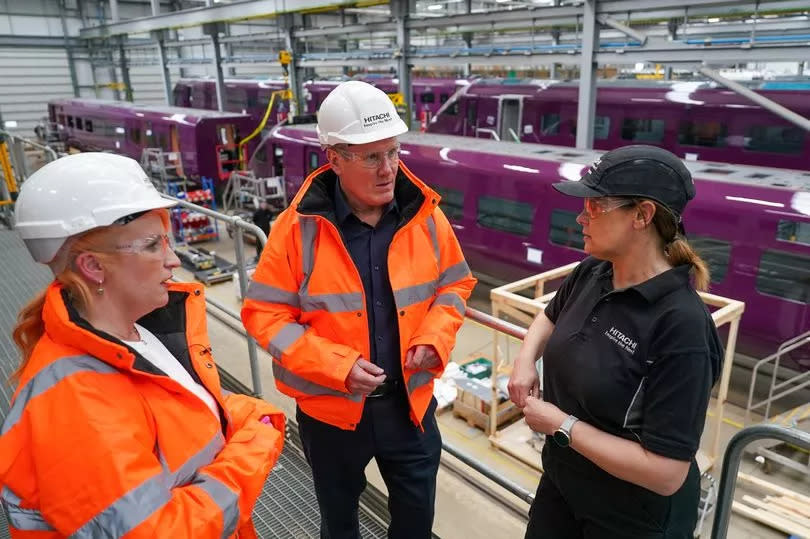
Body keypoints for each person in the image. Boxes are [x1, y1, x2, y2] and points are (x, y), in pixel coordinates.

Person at [0, 152, 286, 538]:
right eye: (153, 245)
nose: (172, 259)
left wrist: (247, 411)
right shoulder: (79, 401)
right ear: (93, 267)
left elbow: (176, 413)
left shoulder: (133, 335)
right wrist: (254, 445)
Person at [241, 80, 476, 539]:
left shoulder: (425, 216)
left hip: (410, 408)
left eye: (393, 152)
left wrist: (435, 337)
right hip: (332, 414)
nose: (388, 169)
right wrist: (336, 366)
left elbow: (456, 282)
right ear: (334, 159)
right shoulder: (296, 230)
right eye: (371, 157)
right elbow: (264, 314)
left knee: (415, 526)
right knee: (340, 524)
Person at [508, 145, 723, 539]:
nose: (580, 217)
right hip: (564, 482)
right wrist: (525, 359)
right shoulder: (595, 271)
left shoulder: (682, 328)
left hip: (631, 516)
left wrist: (562, 425)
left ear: (642, 215)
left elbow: (666, 472)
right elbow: (549, 316)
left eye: (594, 207)